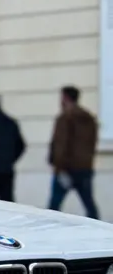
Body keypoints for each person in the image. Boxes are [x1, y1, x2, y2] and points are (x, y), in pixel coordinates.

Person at [48, 85, 100, 219]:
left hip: (66, 168)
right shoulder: (89, 118)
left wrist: (58, 166)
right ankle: (100, 232)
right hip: (84, 167)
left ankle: (46, 232)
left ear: (65, 98)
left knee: (53, 207)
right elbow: (92, 143)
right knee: (89, 204)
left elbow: (61, 144)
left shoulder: (65, 118)